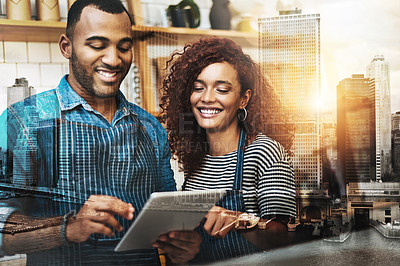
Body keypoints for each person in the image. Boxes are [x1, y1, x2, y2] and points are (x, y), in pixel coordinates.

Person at [0, 0, 200, 264]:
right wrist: (68, 227)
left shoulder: (150, 128)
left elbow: (167, 221)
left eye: (124, 47)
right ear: (66, 47)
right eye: (97, 45)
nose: (113, 59)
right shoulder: (24, 121)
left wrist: (182, 243)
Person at [159, 37, 297, 263]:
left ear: (244, 99)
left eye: (222, 89)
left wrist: (239, 220)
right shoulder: (195, 156)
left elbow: (283, 237)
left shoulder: (265, 153)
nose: (207, 98)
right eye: (198, 88)